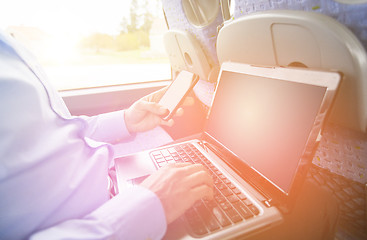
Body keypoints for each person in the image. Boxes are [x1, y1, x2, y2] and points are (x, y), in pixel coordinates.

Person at [0, 29, 214, 240]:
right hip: (115, 221)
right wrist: (150, 204)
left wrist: (127, 119)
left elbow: (54, 128)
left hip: (116, 182)